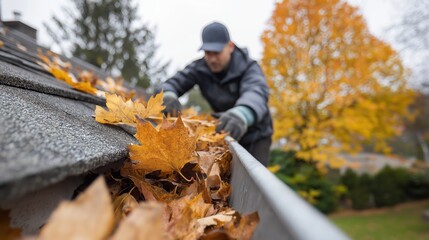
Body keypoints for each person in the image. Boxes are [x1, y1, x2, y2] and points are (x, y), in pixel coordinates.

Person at [156, 22, 273, 166]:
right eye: (207, 53)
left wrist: (242, 113)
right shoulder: (199, 68)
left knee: (253, 177)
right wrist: (168, 95)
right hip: (226, 129)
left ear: (230, 46)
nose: (212, 59)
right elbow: (171, 83)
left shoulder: (249, 67)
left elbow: (256, 92)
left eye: (216, 53)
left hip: (255, 134)